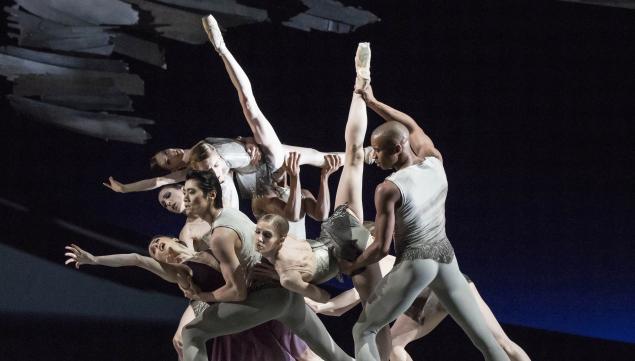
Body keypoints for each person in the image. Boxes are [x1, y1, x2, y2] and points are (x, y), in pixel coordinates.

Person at [338, 83, 511, 360]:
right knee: (486, 342)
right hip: (446, 257)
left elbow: (382, 247)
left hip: (416, 261)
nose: (374, 156)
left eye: (378, 150)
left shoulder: (389, 188)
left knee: (364, 331)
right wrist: (373, 102)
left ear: (396, 148)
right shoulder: (434, 160)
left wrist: (352, 265)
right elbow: (411, 124)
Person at [178, 165, 352, 361]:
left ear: (211, 195)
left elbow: (237, 292)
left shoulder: (220, 235)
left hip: (268, 298)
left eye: (191, 192)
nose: (185, 197)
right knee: (336, 356)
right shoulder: (232, 214)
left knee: (192, 333)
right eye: (184, 192)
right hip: (288, 296)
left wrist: (203, 295)